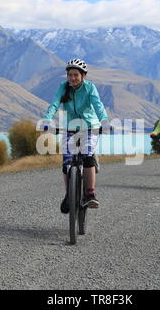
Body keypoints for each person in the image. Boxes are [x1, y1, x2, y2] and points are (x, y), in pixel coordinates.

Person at [42, 58, 110, 214]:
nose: (72, 78)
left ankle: (90, 194)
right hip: (69, 127)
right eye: (69, 75)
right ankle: (69, 194)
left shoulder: (90, 88)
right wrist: (47, 119)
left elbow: (98, 105)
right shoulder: (62, 87)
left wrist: (104, 121)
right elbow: (54, 104)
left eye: (76, 75)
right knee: (67, 162)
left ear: (83, 75)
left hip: (89, 127)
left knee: (87, 157)